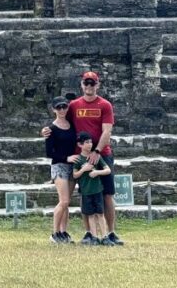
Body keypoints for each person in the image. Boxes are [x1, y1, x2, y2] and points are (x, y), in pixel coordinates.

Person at [42, 70, 124, 245]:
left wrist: (97, 151)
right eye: (86, 83)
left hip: (102, 154)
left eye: (92, 83)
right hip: (80, 157)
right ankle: (89, 232)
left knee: (107, 195)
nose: (89, 86)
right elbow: (61, 120)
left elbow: (107, 130)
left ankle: (110, 232)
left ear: (97, 85)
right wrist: (46, 130)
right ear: (81, 85)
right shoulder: (74, 105)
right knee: (85, 193)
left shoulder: (105, 105)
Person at [43, 97, 77, 244]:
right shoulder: (51, 129)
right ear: (54, 110)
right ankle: (55, 232)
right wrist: (66, 158)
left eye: (64, 107)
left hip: (72, 166)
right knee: (63, 201)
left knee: (66, 202)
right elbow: (49, 152)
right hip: (59, 165)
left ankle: (63, 232)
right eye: (59, 107)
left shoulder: (72, 125)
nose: (62, 110)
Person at [72, 133, 112, 245]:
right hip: (86, 191)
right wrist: (84, 169)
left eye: (90, 142)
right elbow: (75, 175)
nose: (90, 145)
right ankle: (94, 237)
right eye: (86, 142)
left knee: (100, 213)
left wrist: (96, 172)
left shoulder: (96, 157)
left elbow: (107, 170)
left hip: (97, 190)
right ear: (80, 145)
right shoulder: (78, 160)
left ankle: (104, 237)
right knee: (90, 215)